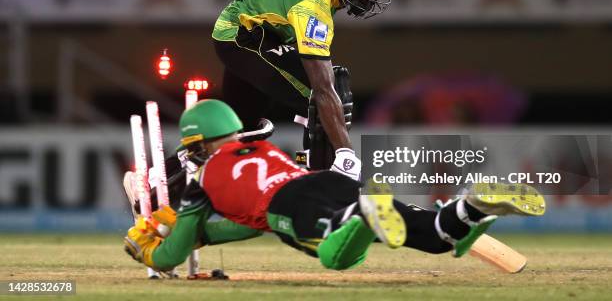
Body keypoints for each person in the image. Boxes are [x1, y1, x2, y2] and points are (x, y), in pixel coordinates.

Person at [124, 99, 545, 273]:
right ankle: (476, 206)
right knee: (437, 237)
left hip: (288, 206)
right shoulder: (268, 150)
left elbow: (172, 256)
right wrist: (208, 234)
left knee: (335, 256)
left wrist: (148, 246)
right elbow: (250, 224)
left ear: (198, 145)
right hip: (326, 180)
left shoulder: (201, 184)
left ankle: (361, 216)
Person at [212, 0, 398, 178]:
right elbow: (322, 89)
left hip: (265, 30)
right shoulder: (313, 9)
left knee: (235, 136)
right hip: (241, 33)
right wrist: (346, 152)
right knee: (326, 95)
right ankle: (324, 178)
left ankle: (187, 174)